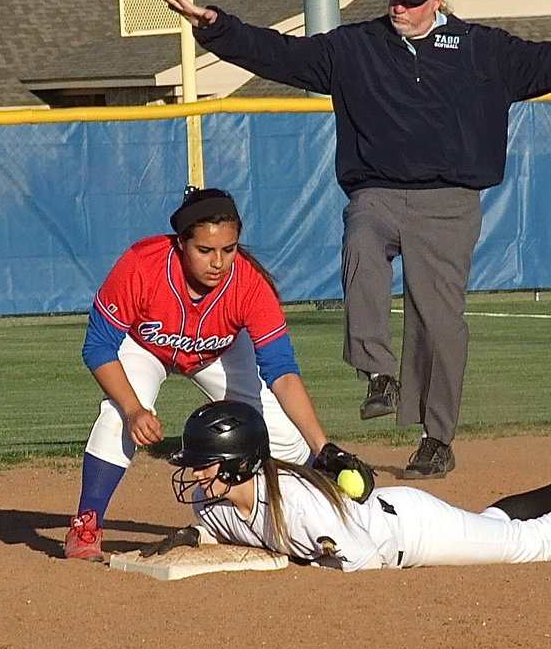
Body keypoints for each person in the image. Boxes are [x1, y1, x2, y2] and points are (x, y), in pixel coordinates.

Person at [161, 0, 551, 479]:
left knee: (440, 322)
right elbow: (280, 54)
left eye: (411, 0)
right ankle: (377, 372)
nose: (399, 8)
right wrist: (218, 29)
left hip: (449, 202)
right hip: (377, 192)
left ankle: (436, 438)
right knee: (361, 239)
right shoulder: (358, 47)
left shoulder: (481, 50)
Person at [65, 186, 372, 561]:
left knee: (288, 440)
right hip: (146, 348)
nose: (219, 262)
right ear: (181, 243)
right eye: (205, 250)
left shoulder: (249, 285)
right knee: (117, 417)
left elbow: (282, 371)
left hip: (217, 351)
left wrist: (322, 447)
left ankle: (285, 516)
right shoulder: (143, 264)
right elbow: (98, 346)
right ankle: (87, 522)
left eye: (229, 249)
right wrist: (133, 409)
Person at [147, 400, 551, 570]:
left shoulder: (297, 506)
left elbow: (364, 565)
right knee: (494, 524)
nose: (192, 474)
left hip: (408, 534)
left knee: (529, 545)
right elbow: (219, 536)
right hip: (390, 517)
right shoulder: (213, 501)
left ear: (241, 465)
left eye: (202, 464)